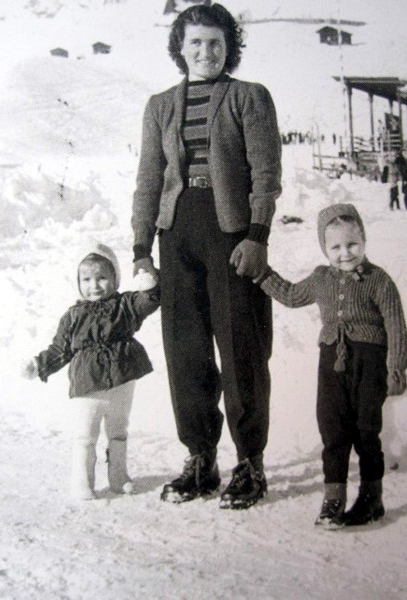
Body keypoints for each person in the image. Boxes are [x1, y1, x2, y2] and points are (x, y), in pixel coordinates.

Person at [131, 3, 282, 509]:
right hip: (177, 236)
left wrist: (257, 236)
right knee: (186, 351)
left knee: (241, 349)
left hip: (232, 235)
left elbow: (265, 173)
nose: (205, 51)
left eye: (215, 42)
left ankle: (249, 464)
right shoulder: (159, 105)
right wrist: (141, 247)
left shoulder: (249, 98)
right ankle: (201, 458)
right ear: (179, 46)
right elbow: (149, 180)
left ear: (229, 47)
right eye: (195, 42)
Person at [254, 203, 407, 529]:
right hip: (331, 363)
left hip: (369, 363)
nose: (345, 253)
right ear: (324, 248)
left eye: (352, 244)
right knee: (332, 428)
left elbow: (395, 324)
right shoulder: (321, 278)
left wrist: (395, 368)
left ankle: (371, 499)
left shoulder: (378, 280)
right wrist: (262, 274)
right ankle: (333, 499)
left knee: (367, 430)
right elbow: (293, 295)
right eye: (335, 247)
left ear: (364, 240)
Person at [21, 242, 159, 500]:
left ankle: (119, 477)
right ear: (78, 282)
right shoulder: (73, 316)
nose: (94, 285)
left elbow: (147, 303)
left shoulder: (124, 305)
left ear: (114, 279)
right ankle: (82, 482)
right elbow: (60, 349)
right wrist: (39, 364)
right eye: (86, 279)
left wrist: (148, 286)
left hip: (122, 380)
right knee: (86, 434)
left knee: (118, 431)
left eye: (102, 278)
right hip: (88, 383)